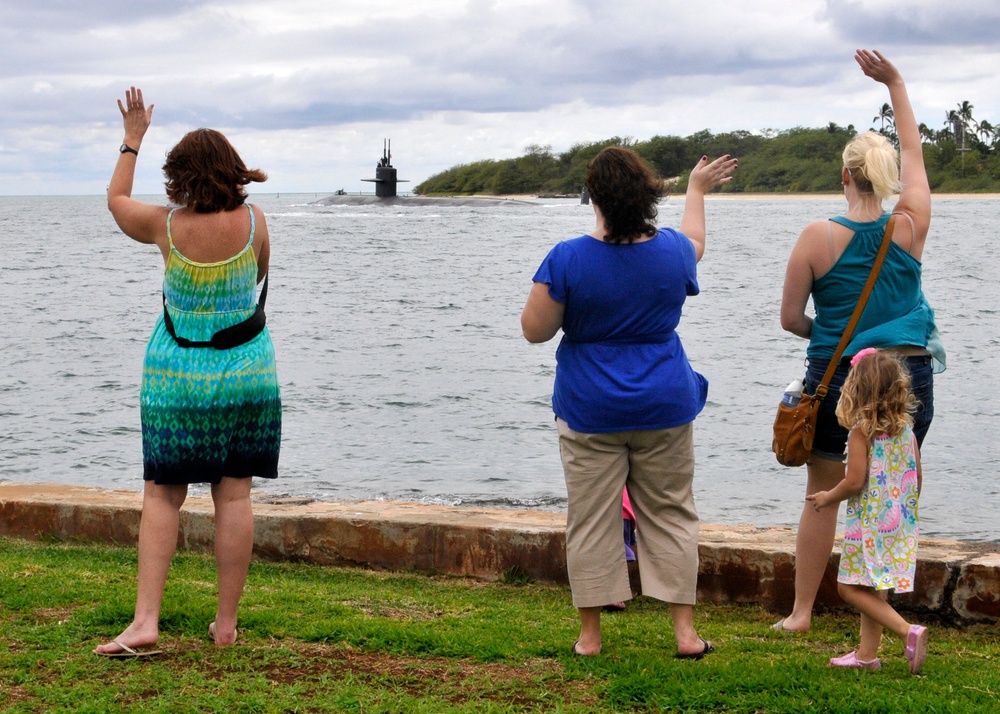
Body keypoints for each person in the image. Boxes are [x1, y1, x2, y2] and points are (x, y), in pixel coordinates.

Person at [521, 146, 737, 657]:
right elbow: (697, 240)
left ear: (594, 197)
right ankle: (685, 635)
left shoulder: (568, 257)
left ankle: (590, 637)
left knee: (591, 518)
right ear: (647, 197)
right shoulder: (672, 251)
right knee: (671, 513)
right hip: (664, 402)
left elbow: (535, 331)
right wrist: (698, 191)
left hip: (589, 407)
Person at [94, 87, 281, 657]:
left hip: (176, 376)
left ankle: (146, 621)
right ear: (232, 171)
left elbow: (115, 200)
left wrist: (131, 140)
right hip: (247, 372)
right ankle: (225, 625)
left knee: (161, 495)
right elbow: (256, 282)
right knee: (234, 497)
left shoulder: (164, 227)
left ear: (179, 176)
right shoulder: (255, 222)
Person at [775, 49, 944, 633]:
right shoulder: (909, 225)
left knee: (824, 487)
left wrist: (828, 334)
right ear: (886, 175)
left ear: (844, 175)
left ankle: (801, 613)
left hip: (840, 371)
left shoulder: (817, 238)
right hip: (907, 372)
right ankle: (879, 617)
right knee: (890, 487)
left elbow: (792, 318)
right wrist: (896, 81)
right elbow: (917, 154)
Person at [806, 348, 928, 674]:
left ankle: (907, 631)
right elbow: (916, 477)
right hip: (898, 523)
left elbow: (854, 481)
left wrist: (827, 498)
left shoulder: (861, 432)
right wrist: (905, 512)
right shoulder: (907, 431)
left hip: (869, 526)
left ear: (856, 390)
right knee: (876, 587)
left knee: (849, 587)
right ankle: (866, 656)